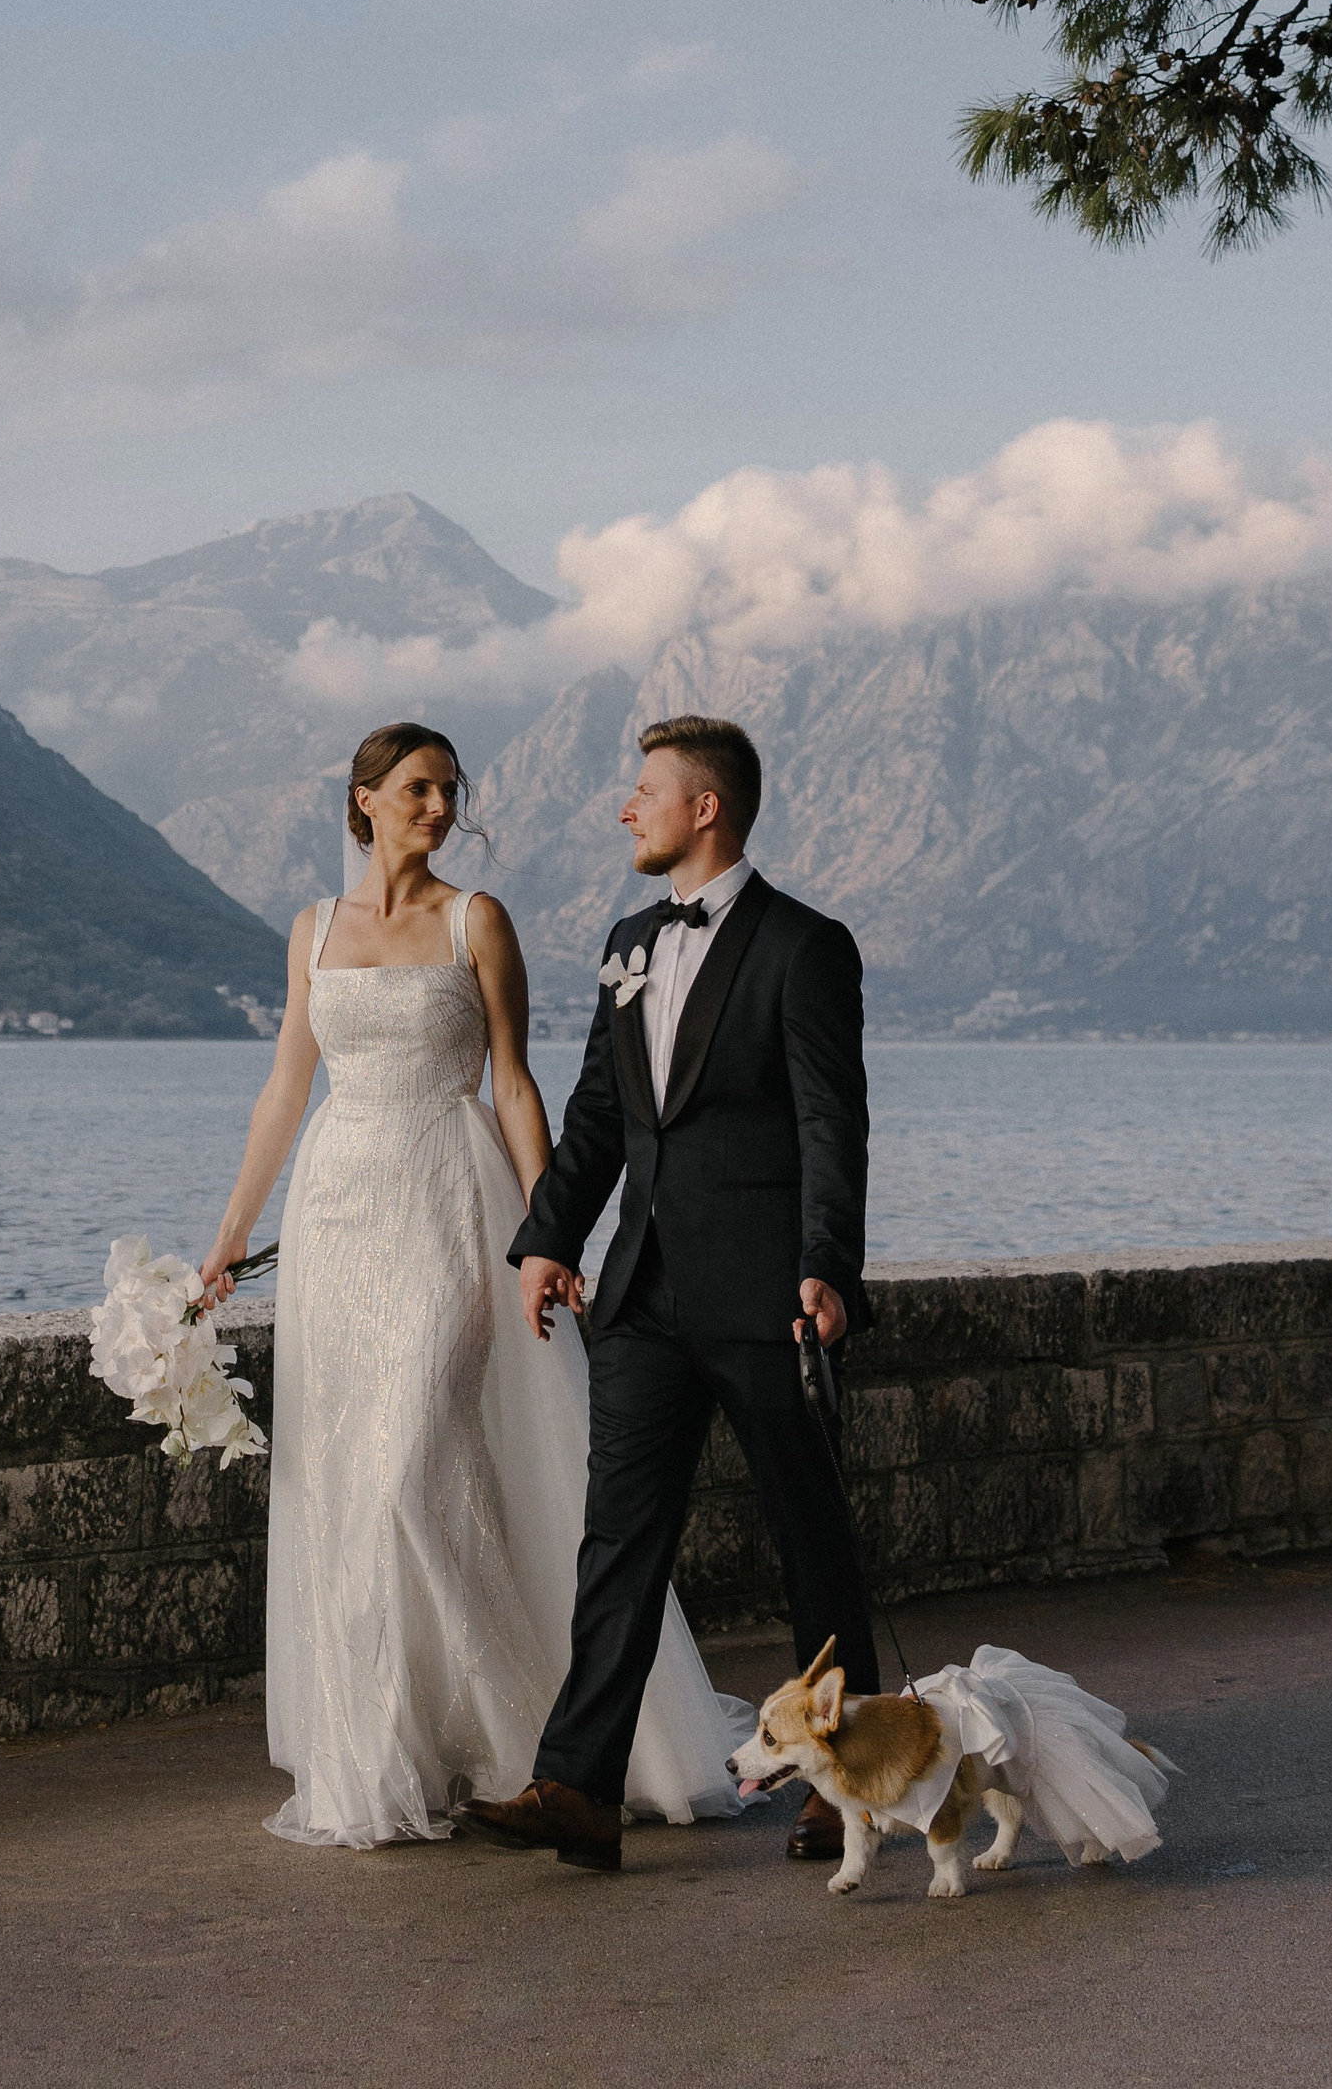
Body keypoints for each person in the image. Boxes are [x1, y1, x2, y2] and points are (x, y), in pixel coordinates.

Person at [200, 721, 748, 1849]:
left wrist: (550, 1230)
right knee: (349, 1482)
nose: (440, 808)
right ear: (364, 799)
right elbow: (286, 1086)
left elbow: (513, 1084)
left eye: (449, 790)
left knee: (412, 1464)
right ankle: (394, 1747)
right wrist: (229, 1240)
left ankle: (538, 1742)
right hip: (337, 1215)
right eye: (417, 788)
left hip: (450, 1203)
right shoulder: (312, 929)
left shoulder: (475, 919)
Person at [463, 713, 880, 1875]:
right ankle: (577, 1787)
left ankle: (841, 1779)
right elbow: (599, 1114)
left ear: (705, 807)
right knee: (617, 1541)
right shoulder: (629, 939)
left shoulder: (805, 945)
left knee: (809, 1537)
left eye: (643, 789)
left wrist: (827, 1265)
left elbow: (830, 1121)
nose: (624, 807)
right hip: (640, 1294)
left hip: (767, 1294)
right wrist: (548, 1238)